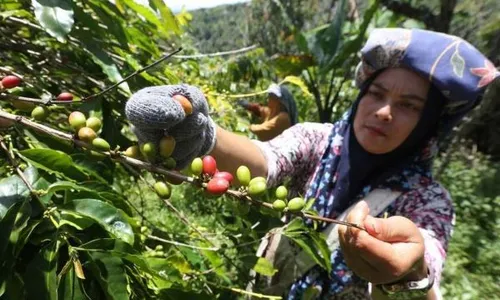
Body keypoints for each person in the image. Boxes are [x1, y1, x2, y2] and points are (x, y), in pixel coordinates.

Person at [124, 28, 499, 299]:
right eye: (378, 94)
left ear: (428, 125)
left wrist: (411, 274)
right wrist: (203, 136)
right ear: (361, 95)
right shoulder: (318, 142)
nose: (384, 112)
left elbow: (428, 258)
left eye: (409, 106)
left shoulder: (429, 201)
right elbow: (266, 160)